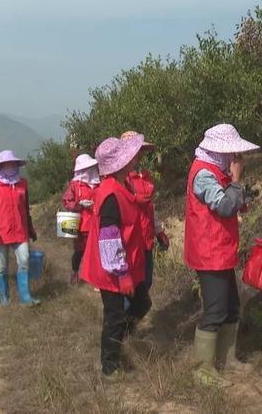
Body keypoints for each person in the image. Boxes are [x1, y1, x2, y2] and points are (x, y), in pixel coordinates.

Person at [184, 124, 259, 386]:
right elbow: (224, 206)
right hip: (209, 253)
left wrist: (239, 192)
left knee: (231, 308)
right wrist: (236, 181)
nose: (236, 159)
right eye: (233, 154)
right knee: (215, 310)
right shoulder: (204, 173)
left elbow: (229, 201)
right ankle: (202, 369)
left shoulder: (215, 171)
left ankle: (227, 360)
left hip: (221, 250)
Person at [79, 135, 151, 377]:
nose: (135, 157)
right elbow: (109, 238)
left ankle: (121, 342)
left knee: (142, 303)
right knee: (114, 316)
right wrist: (122, 274)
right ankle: (110, 367)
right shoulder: (111, 193)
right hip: (111, 270)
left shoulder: (121, 186)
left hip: (124, 265)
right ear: (121, 163)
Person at [0, 150, 39, 306]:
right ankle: (4, 298)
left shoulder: (22, 183)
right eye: (8, 164)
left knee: (24, 260)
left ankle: (26, 297)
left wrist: (31, 228)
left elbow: (25, 208)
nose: (11, 166)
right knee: (1, 267)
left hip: (20, 230)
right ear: (1, 166)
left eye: (13, 164)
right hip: (0, 231)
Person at [121, 131, 170, 304]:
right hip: (129, 239)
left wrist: (159, 232)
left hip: (146, 237)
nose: (139, 154)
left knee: (146, 281)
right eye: (137, 150)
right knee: (130, 283)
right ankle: (126, 323)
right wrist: (134, 200)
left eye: (141, 150)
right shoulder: (121, 178)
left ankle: (130, 320)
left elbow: (150, 206)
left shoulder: (145, 175)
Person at [62, 153, 100, 284]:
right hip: (79, 223)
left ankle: (94, 278)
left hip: (96, 223)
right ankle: (75, 272)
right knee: (79, 251)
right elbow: (67, 201)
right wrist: (79, 205)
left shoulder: (98, 184)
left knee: (95, 252)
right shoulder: (75, 185)